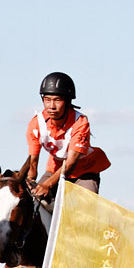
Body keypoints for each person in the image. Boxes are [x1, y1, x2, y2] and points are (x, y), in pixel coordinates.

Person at [26, 72, 110, 201]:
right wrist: (30, 182)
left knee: (85, 205)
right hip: (54, 169)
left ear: (68, 101)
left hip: (84, 172)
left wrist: (47, 184)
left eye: (57, 100)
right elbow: (33, 163)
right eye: (47, 100)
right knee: (34, 200)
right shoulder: (36, 124)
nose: (51, 106)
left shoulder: (80, 122)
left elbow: (70, 163)